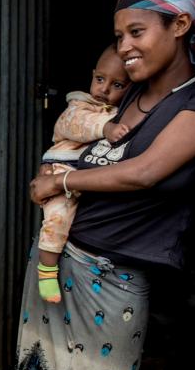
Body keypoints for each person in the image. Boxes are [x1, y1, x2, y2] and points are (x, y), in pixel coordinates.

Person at [12, 0, 195, 370]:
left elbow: (144, 172)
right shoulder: (126, 92)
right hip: (58, 259)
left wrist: (61, 181)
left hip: (116, 275)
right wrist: (49, 179)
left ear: (179, 25)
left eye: (137, 32)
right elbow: (76, 132)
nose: (126, 46)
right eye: (119, 36)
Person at [36, 46, 131, 303]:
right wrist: (106, 128)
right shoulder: (79, 105)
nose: (104, 89)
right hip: (61, 169)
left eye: (117, 84)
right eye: (100, 79)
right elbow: (75, 126)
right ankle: (46, 270)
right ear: (92, 75)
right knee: (57, 219)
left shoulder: (122, 111)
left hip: (85, 182)